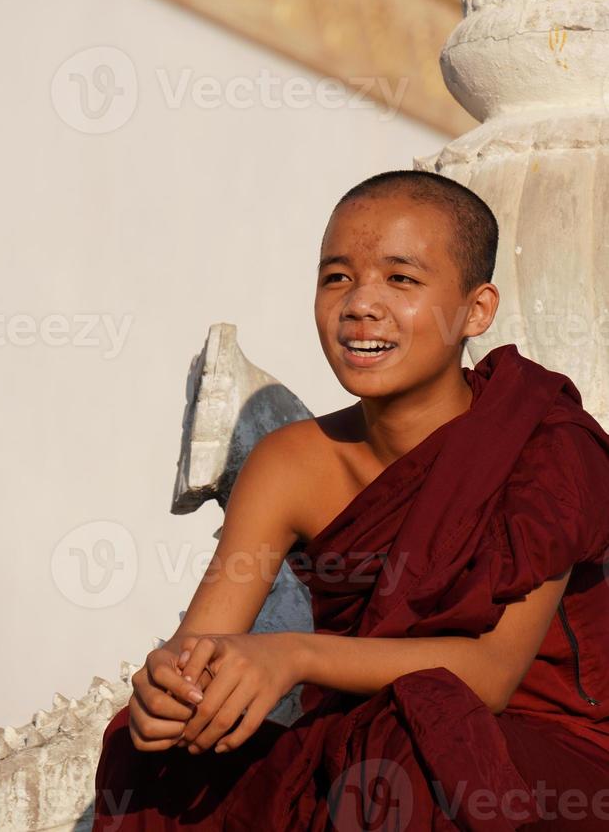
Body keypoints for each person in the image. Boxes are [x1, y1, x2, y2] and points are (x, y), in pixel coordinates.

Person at [92, 170, 609, 831]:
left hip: (537, 760)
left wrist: (295, 654)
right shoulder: (293, 462)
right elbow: (203, 647)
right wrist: (171, 690)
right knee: (150, 763)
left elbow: (490, 675)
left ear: (475, 310)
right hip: (366, 745)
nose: (360, 304)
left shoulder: (542, 444)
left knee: (419, 727)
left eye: (401, 279)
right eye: (337, 277)